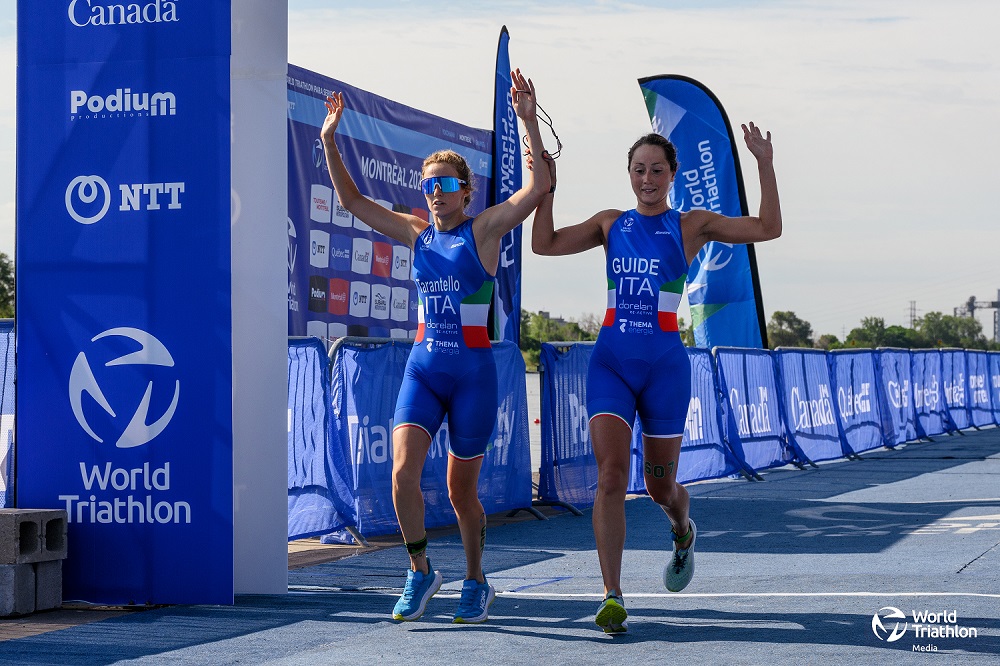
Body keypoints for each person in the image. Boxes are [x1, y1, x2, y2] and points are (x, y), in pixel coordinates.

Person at [530, 123, 781, 633]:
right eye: (639, 170)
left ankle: (682, 528)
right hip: (612, 364)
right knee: (610, 478)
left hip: (666, 366)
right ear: (629, 174)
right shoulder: (609, 224)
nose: (647, 179)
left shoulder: (691, 226)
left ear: (672, 175)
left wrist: (764, 163)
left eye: (657, 170)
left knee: (660, 487)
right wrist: (546, 188)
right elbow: (545, 244)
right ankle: (612, 594)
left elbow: (768, 229)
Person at [320, 69, 550, 624]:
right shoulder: (415, 232)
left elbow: (538, 188)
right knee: (402, 473)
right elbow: (351, 202)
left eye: (445, 185)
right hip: (424, 370)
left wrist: (526, 122)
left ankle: (475, 579)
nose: (435, 193)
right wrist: (329, 139)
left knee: (459, 493)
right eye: (428, 185)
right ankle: (420, 571)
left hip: (473, 374)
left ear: (465, 192)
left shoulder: (485, 230)